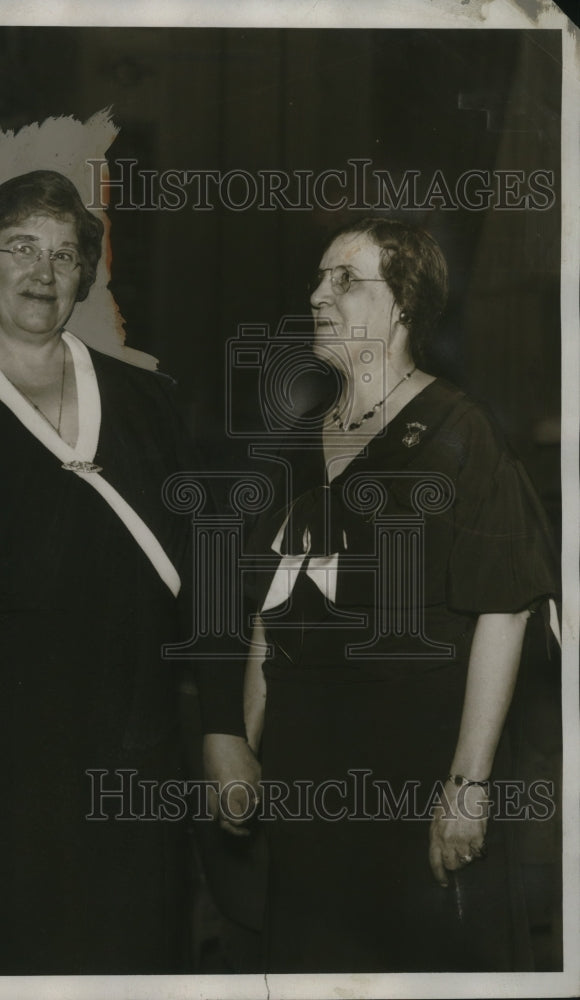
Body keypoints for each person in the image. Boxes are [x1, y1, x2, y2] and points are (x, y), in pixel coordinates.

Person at [0, 170, 248, 974]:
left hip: (136, 779)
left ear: (84, 277)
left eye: (65, 255)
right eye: (21, 248)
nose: (43, 271)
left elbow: (213, 573)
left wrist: (222, 726)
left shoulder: (151, 404)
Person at [239, 217, 559, 972]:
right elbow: (267, 616)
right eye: (318, 278)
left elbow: (504, 612)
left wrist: (468, 788)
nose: (318, 294)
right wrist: (247, 751)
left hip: (415, 783)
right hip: (306, 790)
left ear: (405, 305)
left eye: (345, 280)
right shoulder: (300, 440)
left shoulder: (460, 433)